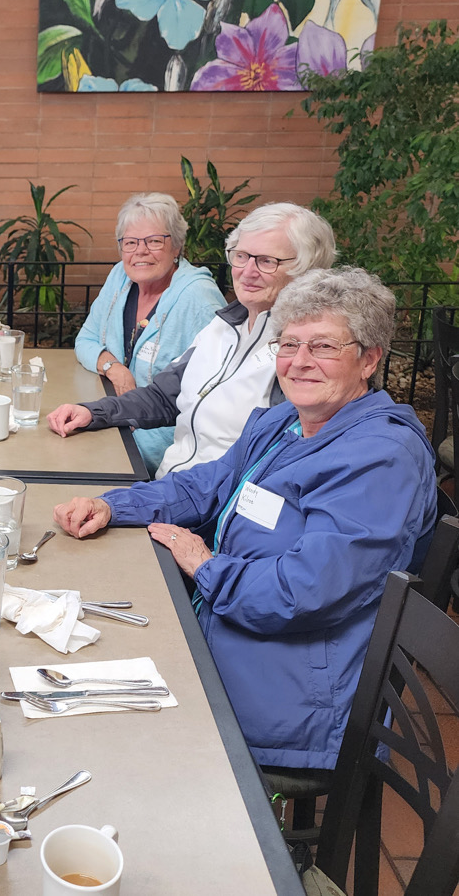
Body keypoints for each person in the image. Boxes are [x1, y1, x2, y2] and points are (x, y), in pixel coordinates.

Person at [54, 267, 436, 770]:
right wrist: (113, 506)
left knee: (97, 724)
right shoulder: (286, 421)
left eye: (322, 347)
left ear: (369, 359)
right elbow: (207, 484)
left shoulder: (380, 458)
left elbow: (302, 592)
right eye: (288, 344)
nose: (299, 363)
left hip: (292, 691)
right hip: (238, 627)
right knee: (76, 655)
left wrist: (205, 566)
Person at [49, 203, 336, 477]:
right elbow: (163, 397)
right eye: (241, 256)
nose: (248, 272)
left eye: (266, 261)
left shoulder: (305, 354)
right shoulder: (224, 325)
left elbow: (277, 466)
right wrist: (93, 412)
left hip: (204, 508)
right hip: (172, 487)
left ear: (307, 269)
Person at [74, 192, 225, 472]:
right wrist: (113, 367)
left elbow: (209, 397)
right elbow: (85, 339)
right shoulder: (121, 277)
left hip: (160, 446)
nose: (140, 251)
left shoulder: (198, 299)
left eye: (154, 241)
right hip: (113, 421)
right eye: (130, 243)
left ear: (177, 246)